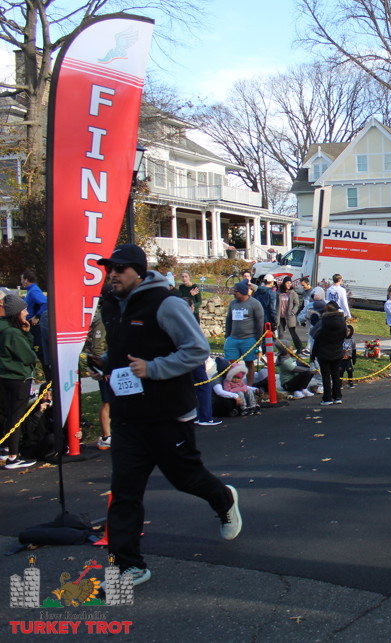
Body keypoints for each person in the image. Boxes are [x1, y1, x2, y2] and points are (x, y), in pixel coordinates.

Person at [96, 244, 241, 586]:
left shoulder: (166, 303)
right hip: (128, 416)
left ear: (138, 271)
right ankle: (128, 566)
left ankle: (223, 499)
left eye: (119, 269)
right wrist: (105, 363)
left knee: (185, 477)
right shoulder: (111, 304)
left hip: (167, 413)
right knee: (124, 491)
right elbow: (124, 348)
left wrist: (153, 368)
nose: (112, 274)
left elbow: (197, 350)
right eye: (109, 268)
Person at [0, 293, 39, 469]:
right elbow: (29, 355)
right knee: (16, 416)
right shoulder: (13, 333)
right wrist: (27, 335)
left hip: (5, 376)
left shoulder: (5, 329)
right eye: (24, 310)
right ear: (16, 312)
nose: (27, 313)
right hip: (18, 377)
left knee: (7, 413)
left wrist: (26, 333)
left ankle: (5, 448)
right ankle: (13, 456)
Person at [82, 290, 112, 448]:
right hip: (105, 365)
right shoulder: (102, 318)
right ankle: (106, 436)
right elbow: (98, 347)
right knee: (107, 401)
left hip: (111, 363)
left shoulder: (113, 314)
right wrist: (103, 369)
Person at [224, 281, 265, 386]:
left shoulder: (255, 304)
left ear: (242, 291)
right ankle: (236, 384)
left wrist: (258, 339)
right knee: (233, 363)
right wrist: (227, 335)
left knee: (249, 362)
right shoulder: (233, 303)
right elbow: (229, 319)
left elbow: (259, 322)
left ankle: (249, 386)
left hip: (249, 338)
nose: (234, 293)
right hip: (233, 338)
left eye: (236, 291)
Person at [312, 301, 348, 405]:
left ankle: (327, 398)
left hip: (323, 350)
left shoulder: (323, 321)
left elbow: (313, 334)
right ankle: (337, 396)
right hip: (337, 350)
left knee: (326, 376)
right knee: (336, 374)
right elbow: (345, 334)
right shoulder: (342, 321)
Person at [20, 270, 47, 375]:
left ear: (26, 280)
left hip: (34, 327)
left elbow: (45, 303)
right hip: (31, 326)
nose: (21, 281)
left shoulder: (34, 291)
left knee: (39, 353)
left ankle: (49, 378)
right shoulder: (31, 291)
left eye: (22, 279)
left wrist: (37, 316)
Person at [275, 278, 303, 353]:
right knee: (281, 334)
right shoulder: (278, 293)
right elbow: (276, 304)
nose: (289, 285)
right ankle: (281, 350)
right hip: (280, 316)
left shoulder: (293, 293)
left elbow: (297, 304)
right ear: (284, 283)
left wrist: (293, 312)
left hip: (289, 316)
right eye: (287, 283)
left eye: (290, 283)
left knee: (293, 333)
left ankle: (299, 348)